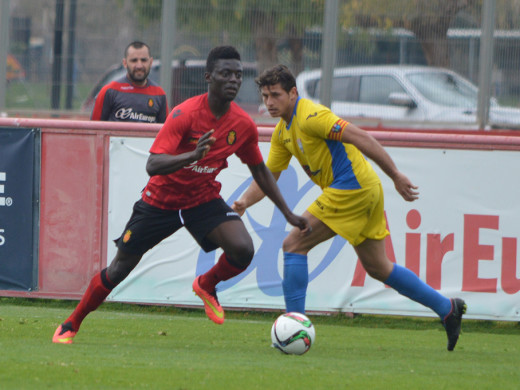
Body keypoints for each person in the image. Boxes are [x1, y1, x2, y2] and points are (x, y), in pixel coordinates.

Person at [53, 47, 309, 344]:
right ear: (208, 77)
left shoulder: (242, 124)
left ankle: (206, 284)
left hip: (201, 199)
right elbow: (153, 165)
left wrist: (288, 213)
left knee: (243, 249)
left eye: (238, 75)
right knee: (118, 269)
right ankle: (72, 322)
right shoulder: (184, 114)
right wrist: (192, 155)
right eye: (226, 74)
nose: (233, 80)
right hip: (159, 202)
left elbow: (260, 171)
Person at [232, 64, 466, 351]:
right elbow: (270, 176)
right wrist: (243, 202)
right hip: (363, 190)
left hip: (351, 188)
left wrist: (395, 175)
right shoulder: (283, 131)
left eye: (276, 95)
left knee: (293, 244)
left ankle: (294, 328)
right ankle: (447, 308)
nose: (269, 102)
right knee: (378, 268)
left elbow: (361, 137)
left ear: (293, 93)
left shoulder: (312, 116)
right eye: (265, 96)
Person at [91, 41, 169, 123]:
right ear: (125, 63)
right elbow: (94, 129)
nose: (139, 65)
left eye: (143, 60)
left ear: (151, 62)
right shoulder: (109, 91)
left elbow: (165, 132)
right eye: (134, 61)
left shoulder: (159, 94)